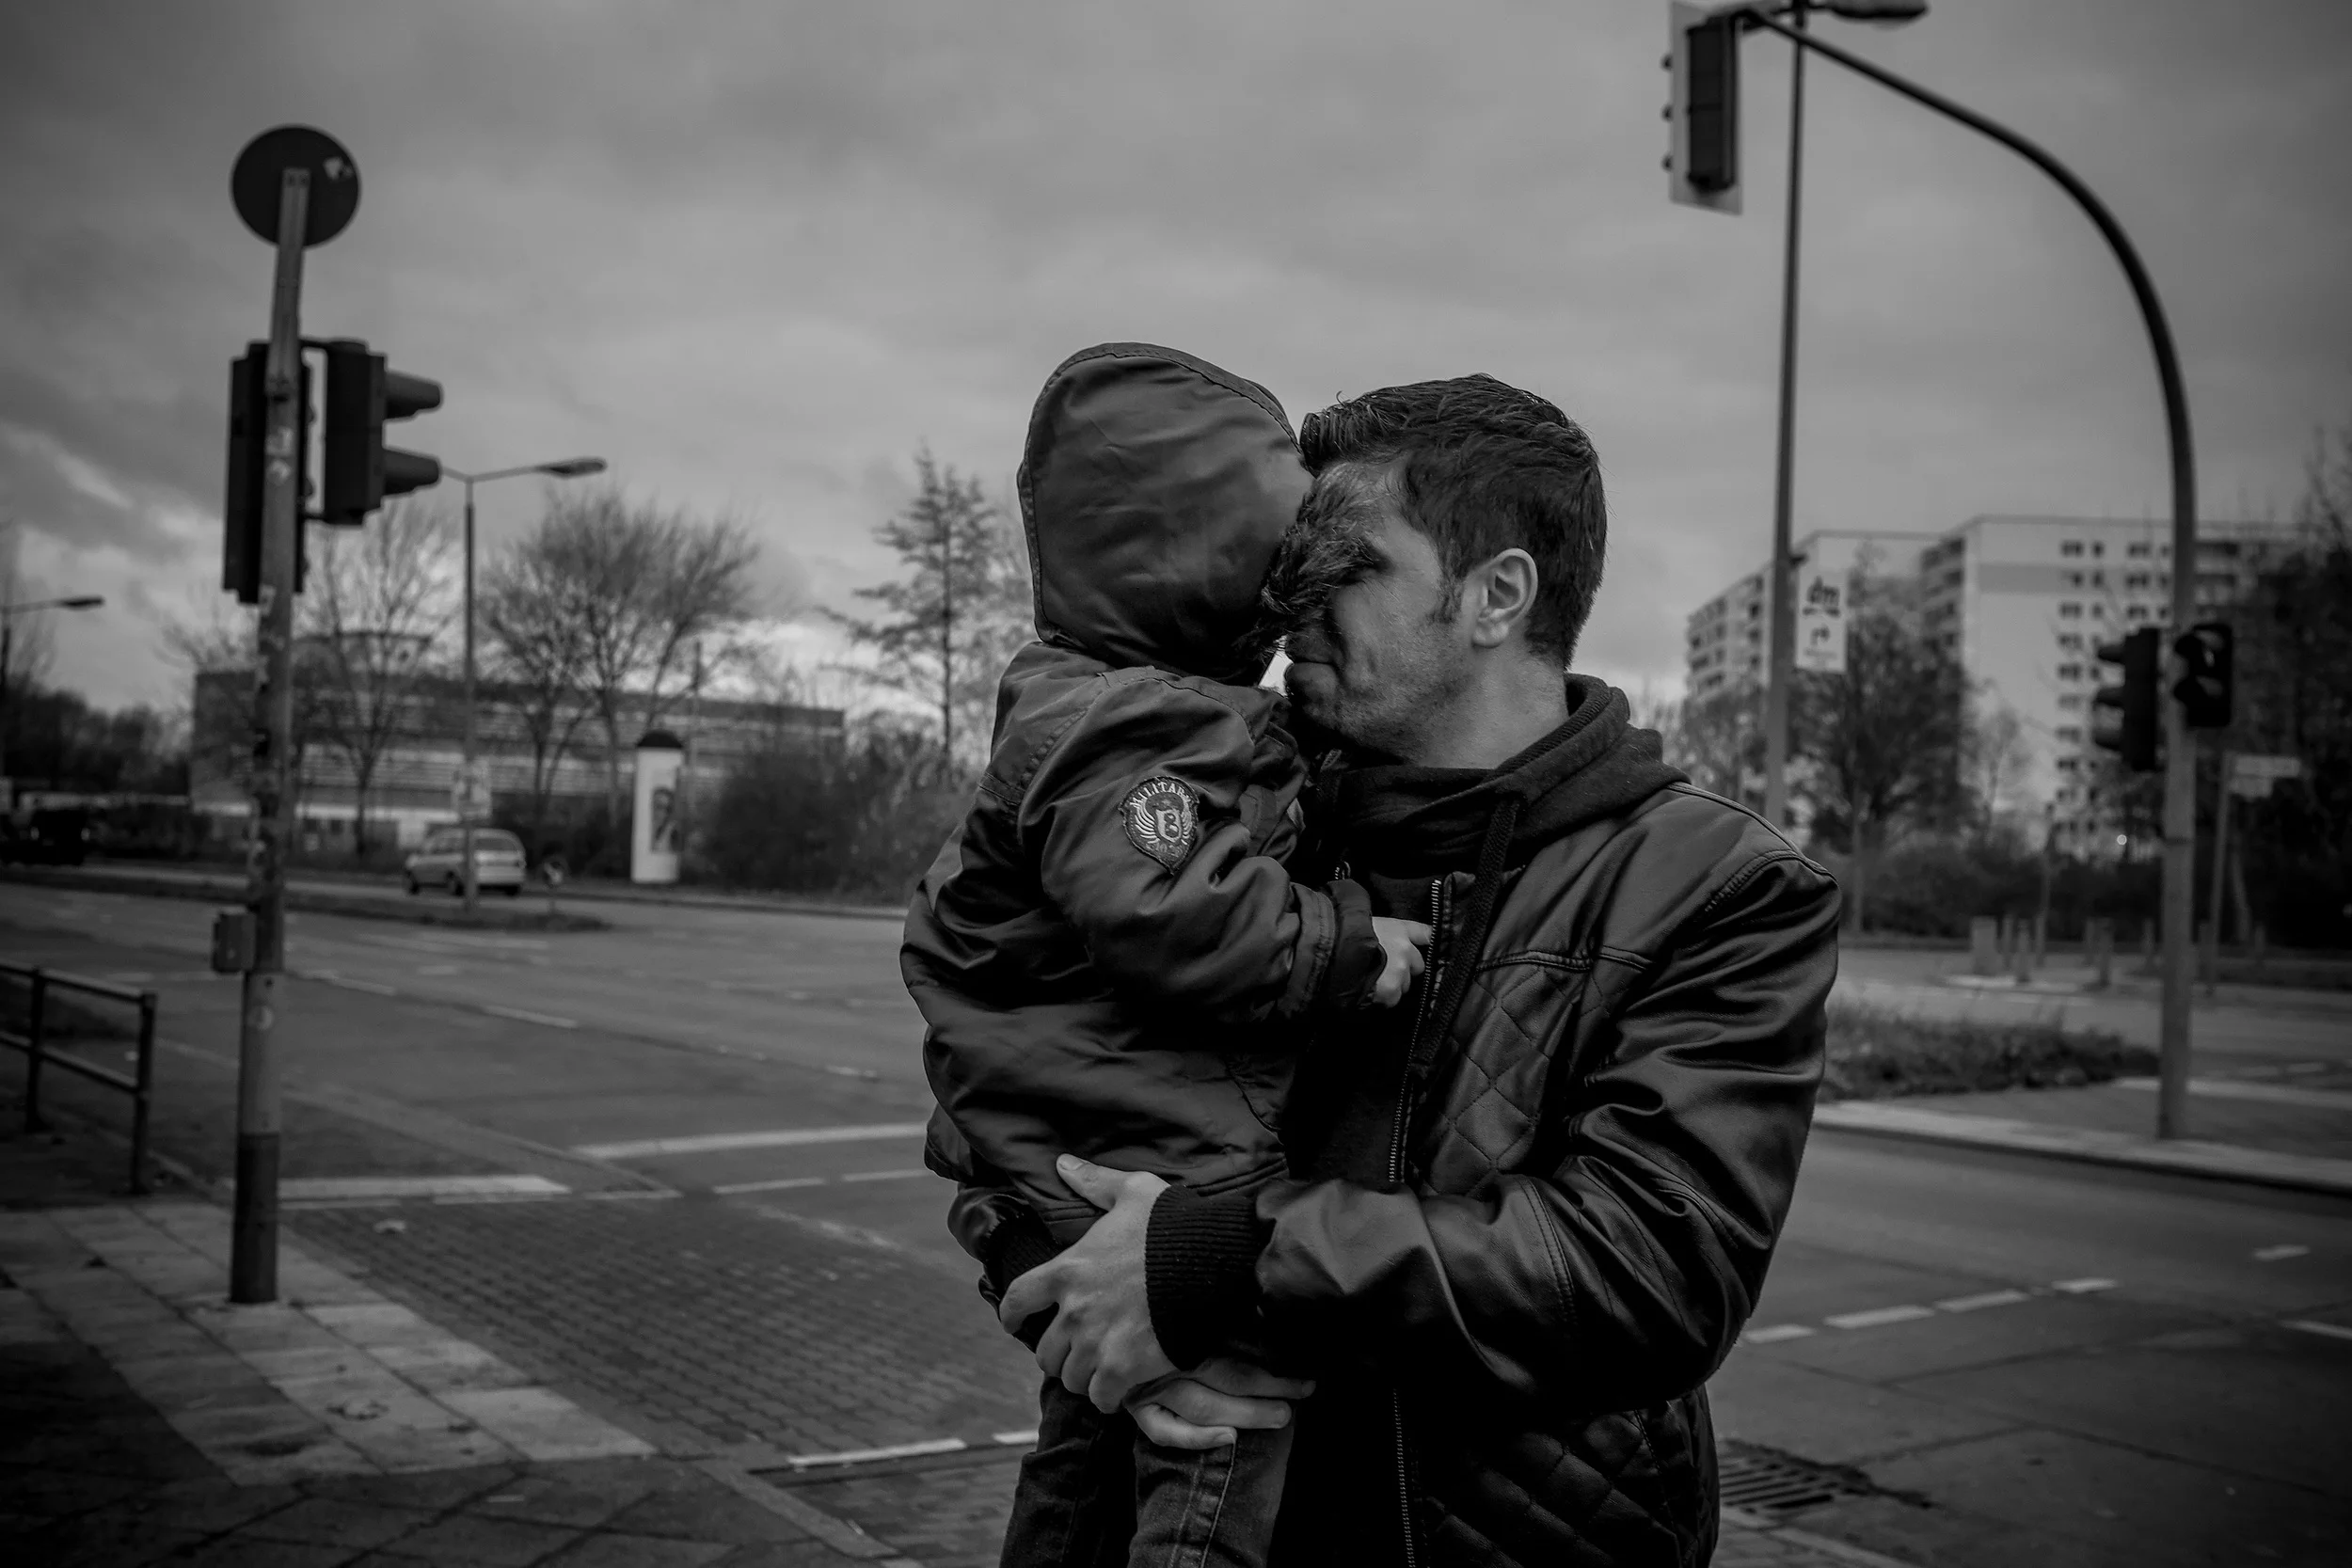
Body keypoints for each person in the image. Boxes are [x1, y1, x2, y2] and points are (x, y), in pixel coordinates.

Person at [997, 373, 1843, 1566]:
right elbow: (1012, 1059)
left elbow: (1647, 1271)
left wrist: (1214, 1261)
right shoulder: (1218, 820)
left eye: (1343, 569)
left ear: (1495, 594)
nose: (1284, 605)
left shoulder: (1713, 885)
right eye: (1283, 563)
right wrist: (1070, 1299)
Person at [902, 341, 1431, 1568]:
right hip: (1134, 1169)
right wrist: (1348, 946)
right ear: (1210, 560)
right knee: (1216, 1443)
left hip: (1085, 1155)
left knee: (1089, 1443)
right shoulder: (1142, 726)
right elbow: (1173, 913)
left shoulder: (1101, 703)